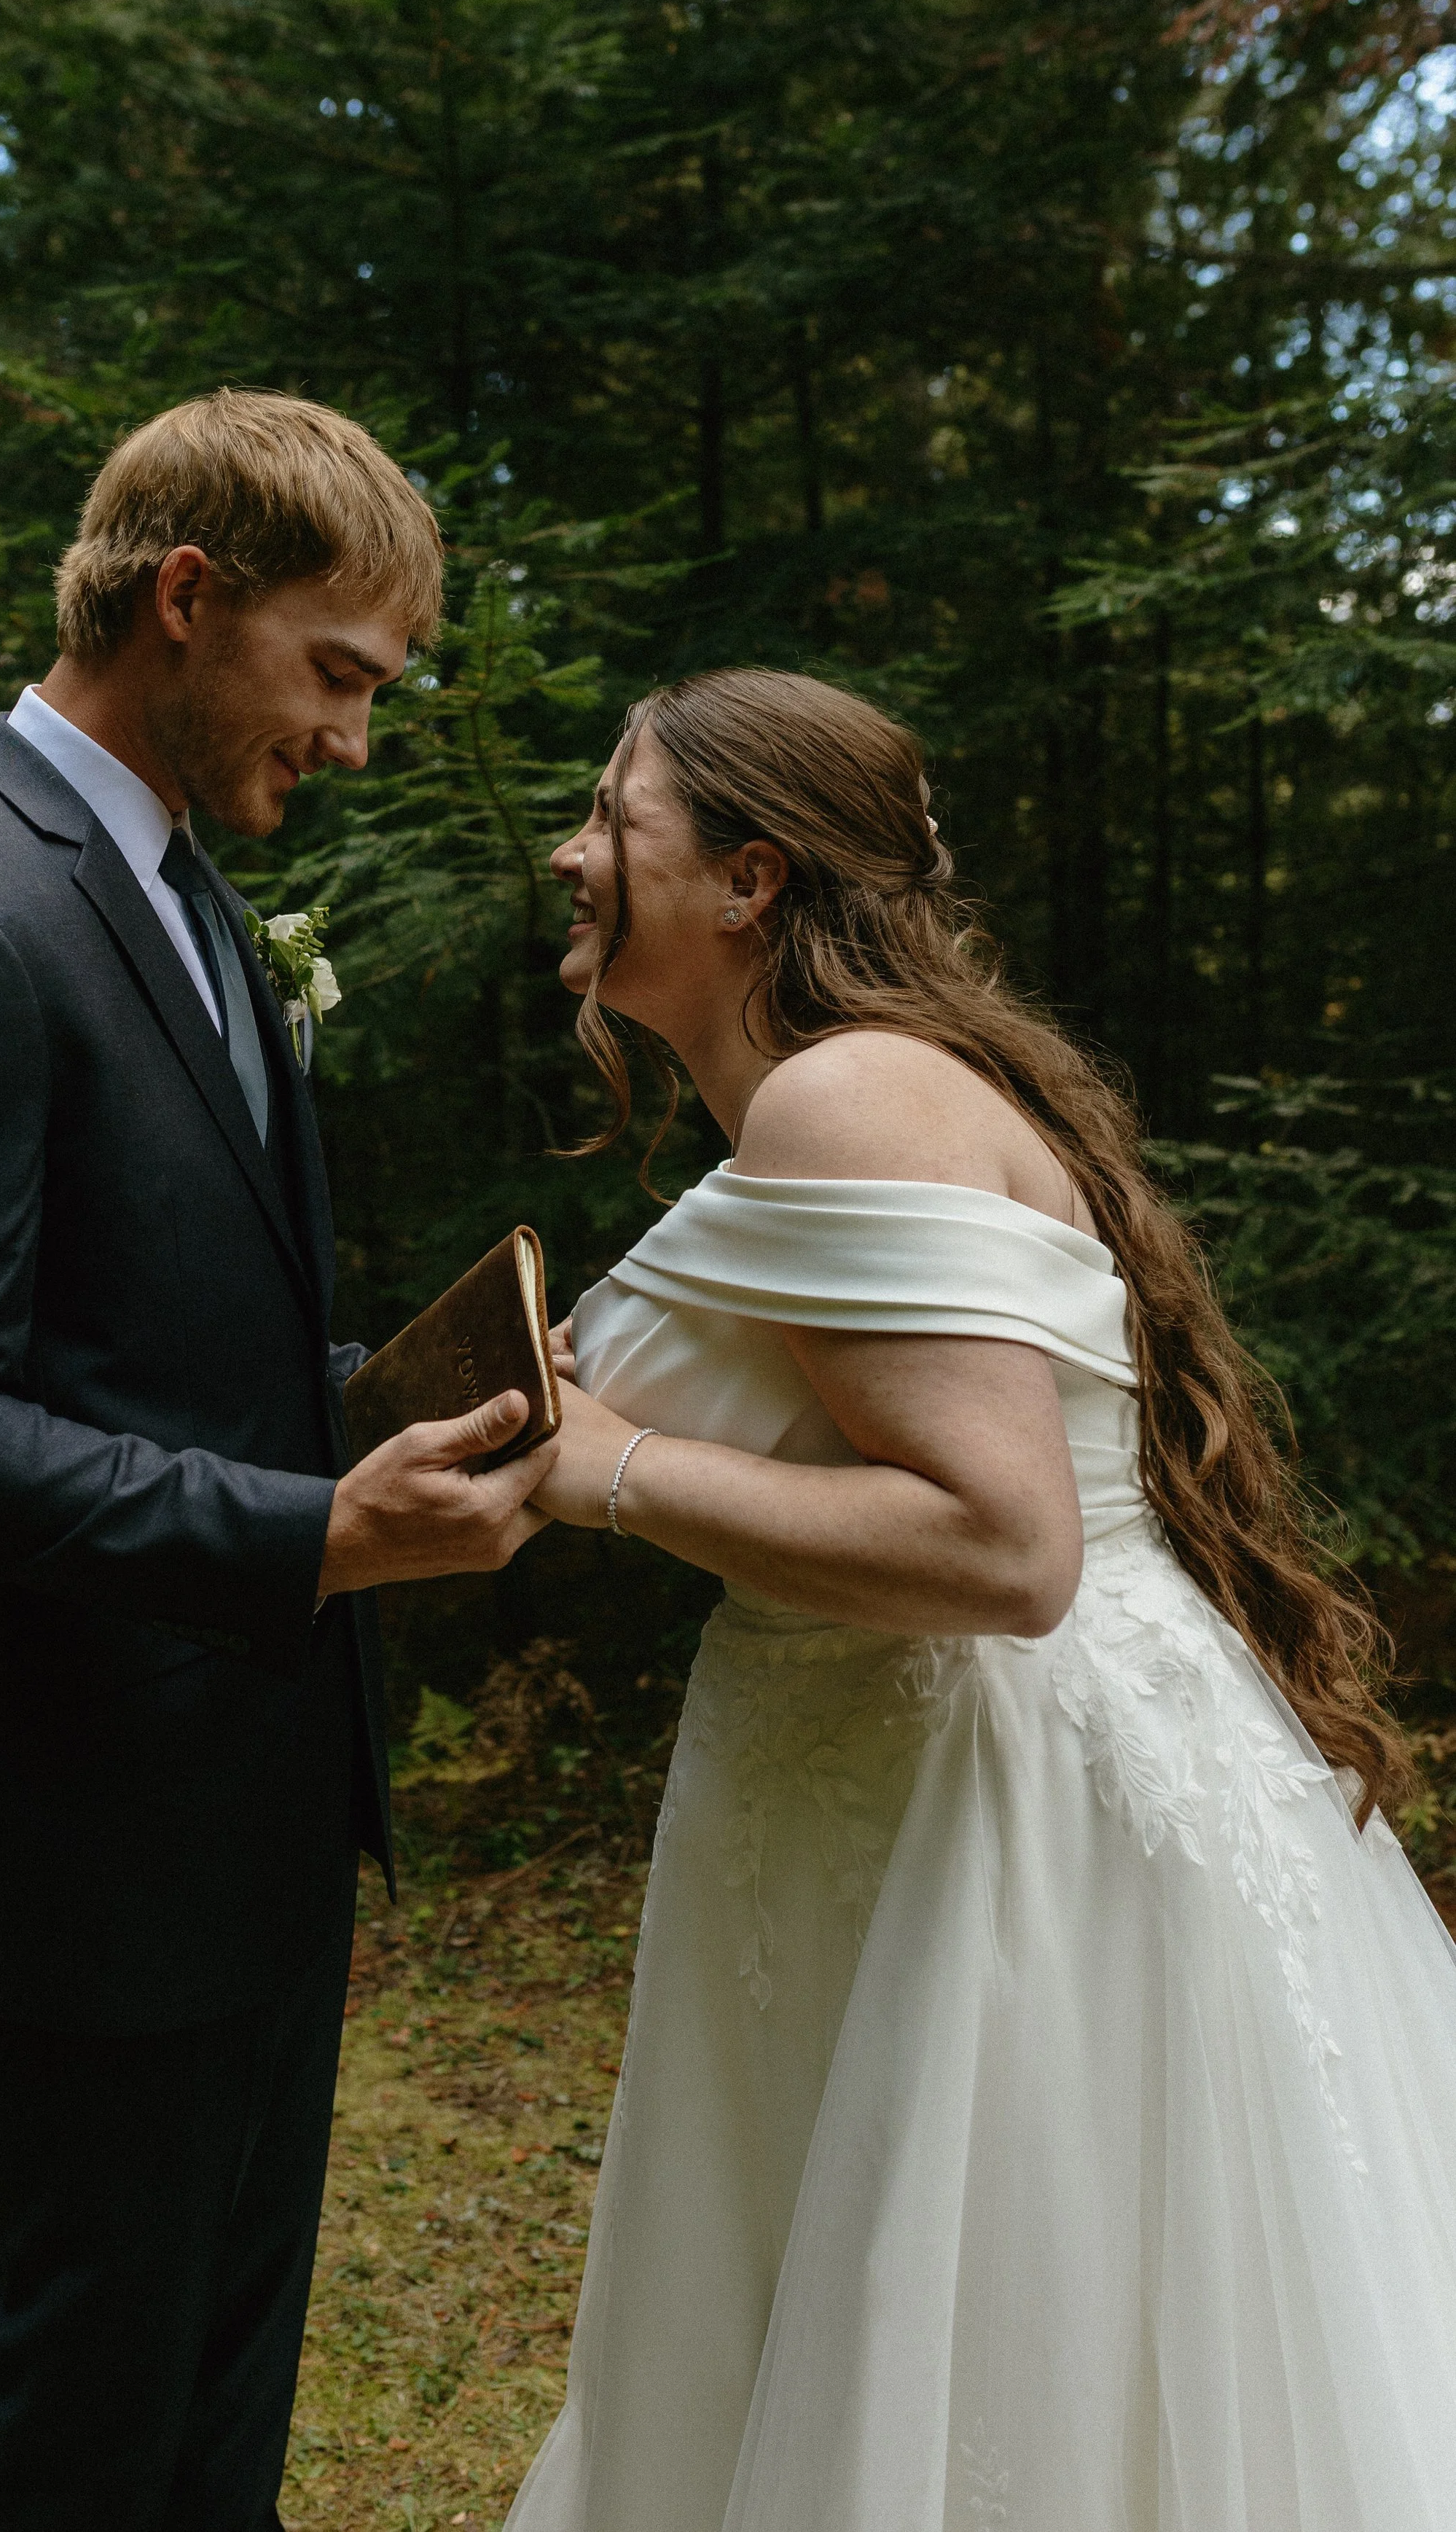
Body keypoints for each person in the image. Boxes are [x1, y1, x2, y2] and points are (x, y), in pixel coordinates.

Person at [510, 668, 1456, 2532]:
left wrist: (597, 1468)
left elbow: (1001, 1549)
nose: (571, 848)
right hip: (880, 1791)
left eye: (613, 817)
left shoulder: (850, 1097)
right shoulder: (844, 1094)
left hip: (986, 1818)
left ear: (746, 878)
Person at [0, 388, 555, 2532]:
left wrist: (400, 1397)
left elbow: (150, 1338)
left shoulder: (192, 898)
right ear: (186, 598)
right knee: (91, 2399)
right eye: (338, 674)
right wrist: (320, 1529)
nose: (359, 739)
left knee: (220, 2380)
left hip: (252, 1789)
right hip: (87, 1805)